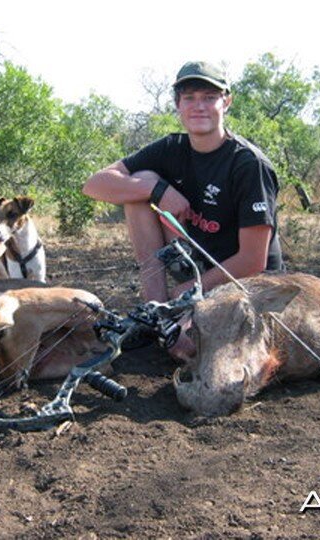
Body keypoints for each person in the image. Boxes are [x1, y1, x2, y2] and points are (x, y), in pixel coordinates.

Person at [83, 61, 284, 358]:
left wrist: (186, 291)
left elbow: (252, 260)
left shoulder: (248, 164)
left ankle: (174, 314)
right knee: (142, 182)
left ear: (226, 101)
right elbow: (94, 184)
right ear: (178, 104)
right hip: (196, 267)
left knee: (188, 348)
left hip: (245, 281)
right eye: (189, 98)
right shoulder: (171, 148)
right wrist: (158, 190)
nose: (198, 106)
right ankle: (156, 313)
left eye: (208, 97)